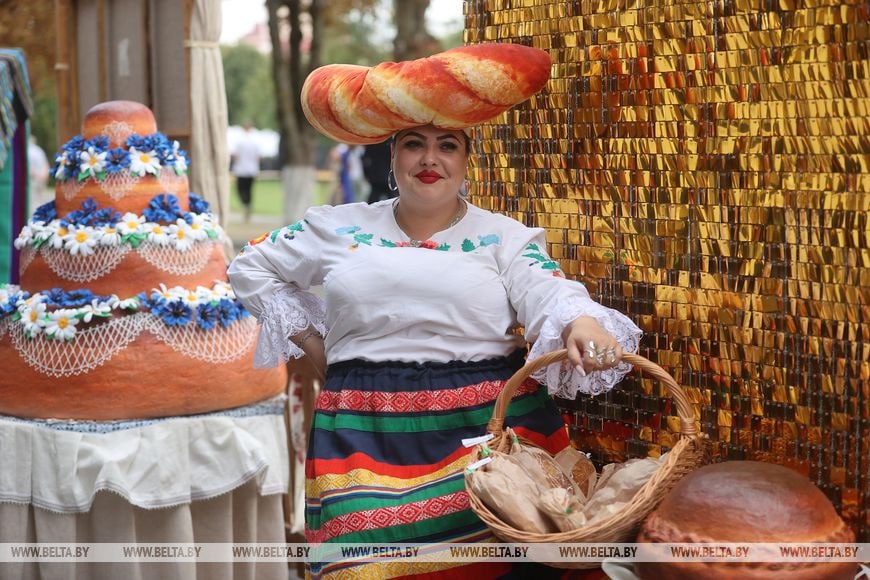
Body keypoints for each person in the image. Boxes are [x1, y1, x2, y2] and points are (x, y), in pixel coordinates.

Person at [228, 43, 642, 578]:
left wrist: (581, 322)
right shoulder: (334, 226)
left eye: (447, 145)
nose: (430, 159)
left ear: (466, 160)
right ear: (392, 156)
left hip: (486, 438)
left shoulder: (502, 237)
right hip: (361, 429)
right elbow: (249, 268)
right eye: (414, 144)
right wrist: (313, 344)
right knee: (364, 566)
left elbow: (550, 291)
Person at [230, 122, 261, 222]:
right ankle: (248, 205)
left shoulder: (240, 141)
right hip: (251, 170)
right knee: (249, 190)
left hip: (241, 170)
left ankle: (245, 204)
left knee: (240, 189)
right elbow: (258, 157)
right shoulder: (255, 141)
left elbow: (235, 155)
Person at [362, 138, 394, 203]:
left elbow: (365, 159)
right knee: (392, 201)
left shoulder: (372, 142)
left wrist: (366, 173)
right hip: (388, 176)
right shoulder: (390, 142)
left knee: (373, 201)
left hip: (375, 176)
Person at [27, 135, 51, 208]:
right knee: (38, 200)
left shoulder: (27, 151)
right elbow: (46, 166)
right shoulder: (39, 150)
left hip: (33, 179)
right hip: (40, 178)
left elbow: (28, 168)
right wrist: (44, 176)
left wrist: (36, 175)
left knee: (32, 201)